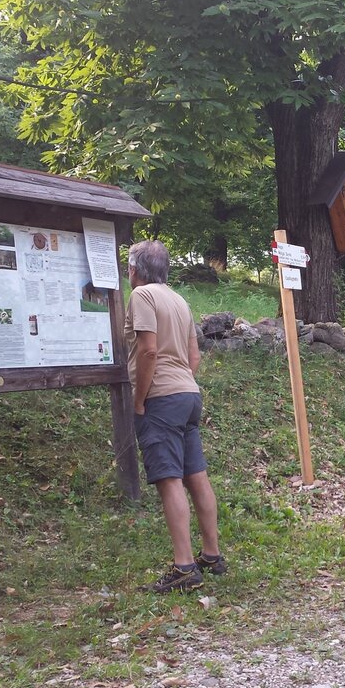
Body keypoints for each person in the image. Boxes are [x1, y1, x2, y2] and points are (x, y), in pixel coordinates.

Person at [125, 240, 226, 592]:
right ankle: (211, 554)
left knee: (169, 479)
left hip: (161, 397)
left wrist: (140, 400)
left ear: (134, 269)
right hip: (188, 393)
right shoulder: (179, 300)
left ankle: (184, 568)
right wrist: (181, 382)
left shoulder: (142, 296)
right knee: (196, 475)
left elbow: (148, 350)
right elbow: (194, 356)